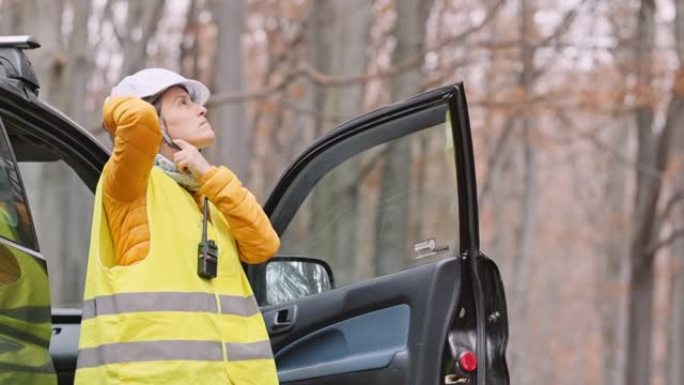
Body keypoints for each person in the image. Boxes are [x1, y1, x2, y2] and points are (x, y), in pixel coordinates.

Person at [74, 68, 280, 385]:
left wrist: (207, 173)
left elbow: (264, 244)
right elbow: (137, 118)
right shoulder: (129, 186)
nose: (202, 109)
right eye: (182, 103)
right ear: (156, 125)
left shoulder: (207, 194)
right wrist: (118, 102)